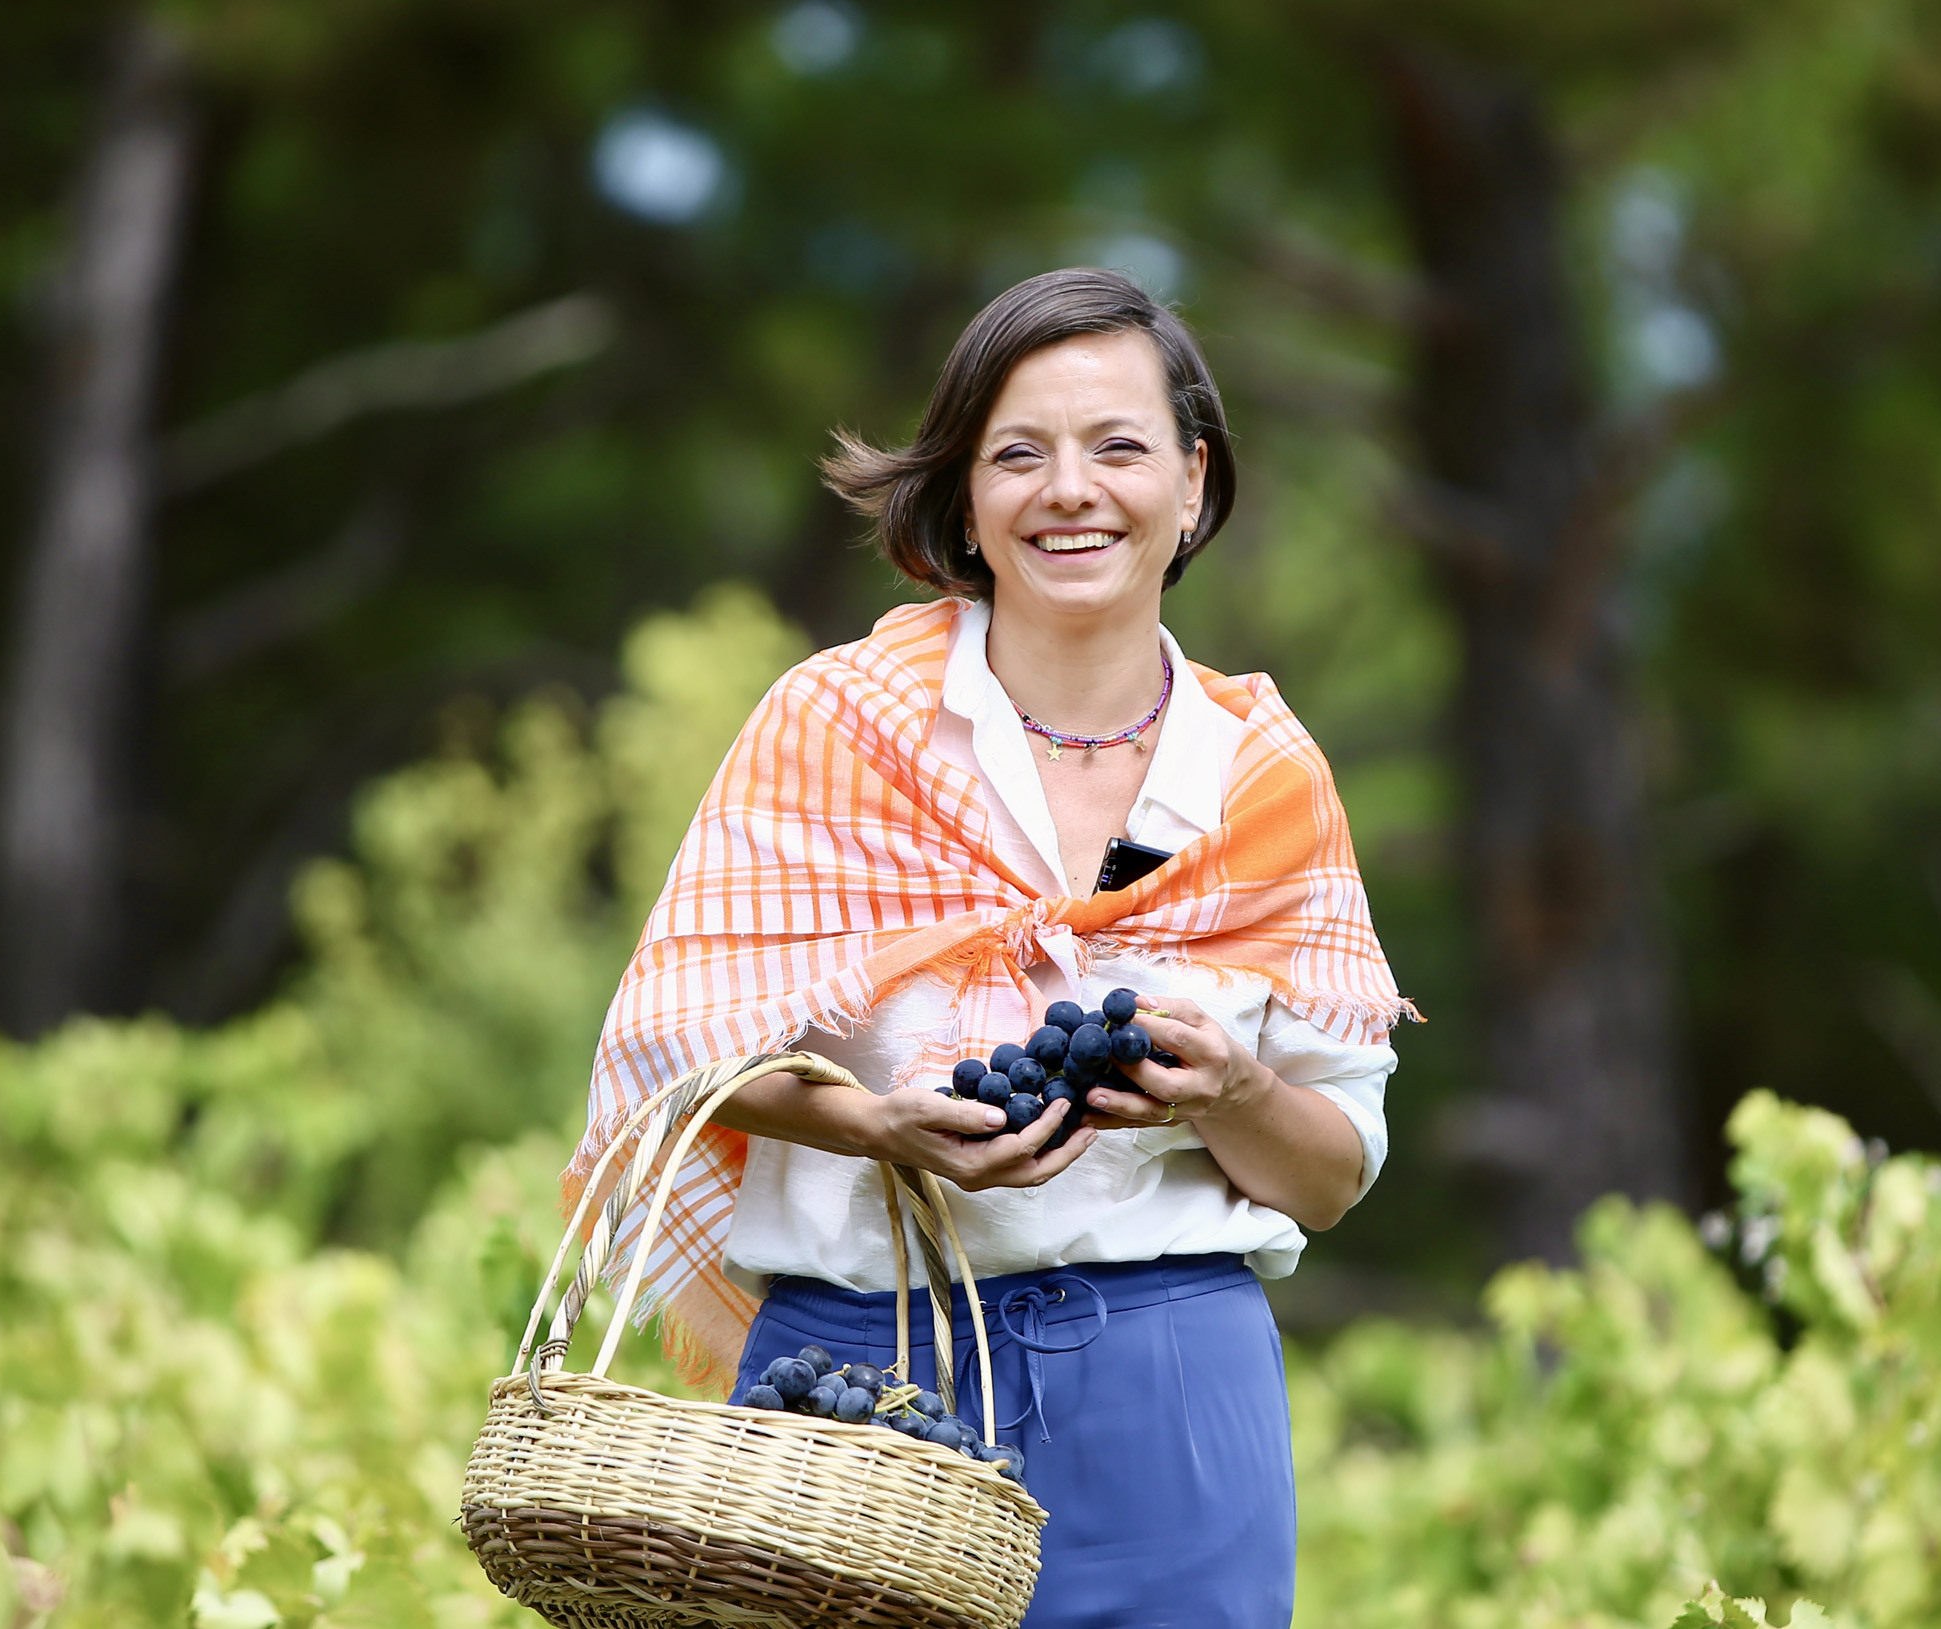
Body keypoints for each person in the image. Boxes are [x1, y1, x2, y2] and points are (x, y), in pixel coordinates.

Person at [568, 267, 1412, 1629]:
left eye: (1118, 447)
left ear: (1192, 484)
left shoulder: (1267, 777)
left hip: (1173, 1408)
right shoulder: (835, 729)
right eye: (1018, 452)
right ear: (965, 496)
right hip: (859, 1382)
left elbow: (1327, 1179)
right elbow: (672, 1064)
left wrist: (1235, 1091)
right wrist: (871, 1123)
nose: (1069, 488)